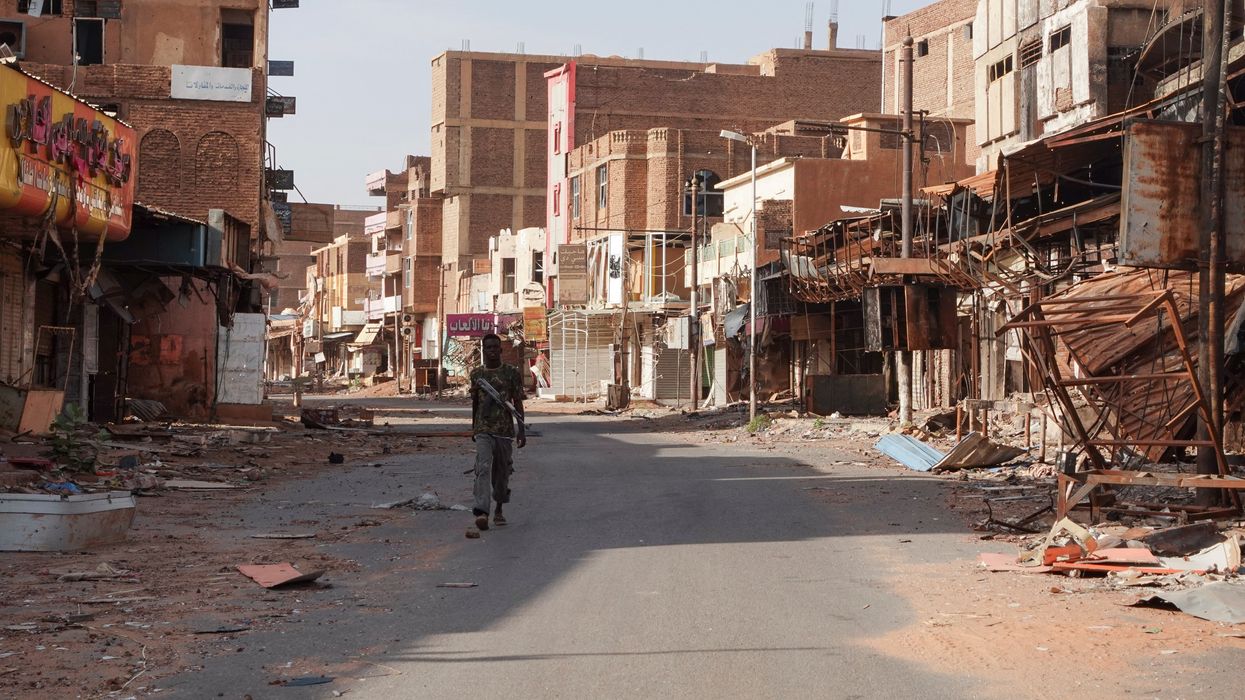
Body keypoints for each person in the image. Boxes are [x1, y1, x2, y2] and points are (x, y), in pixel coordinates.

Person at [467, 333, 526, 535]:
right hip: (484, 429)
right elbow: (475, 402)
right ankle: (481, 512)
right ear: (483, 351)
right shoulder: (477, 374)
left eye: (495, 347)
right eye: (488, 348)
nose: (491, 351)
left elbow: (517, 402)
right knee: (482, 468)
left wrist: (521, 430)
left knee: (502, 472)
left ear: (500, 350)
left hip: (504, 431)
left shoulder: (511, 373)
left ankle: (499, 507)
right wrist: (474, 426)